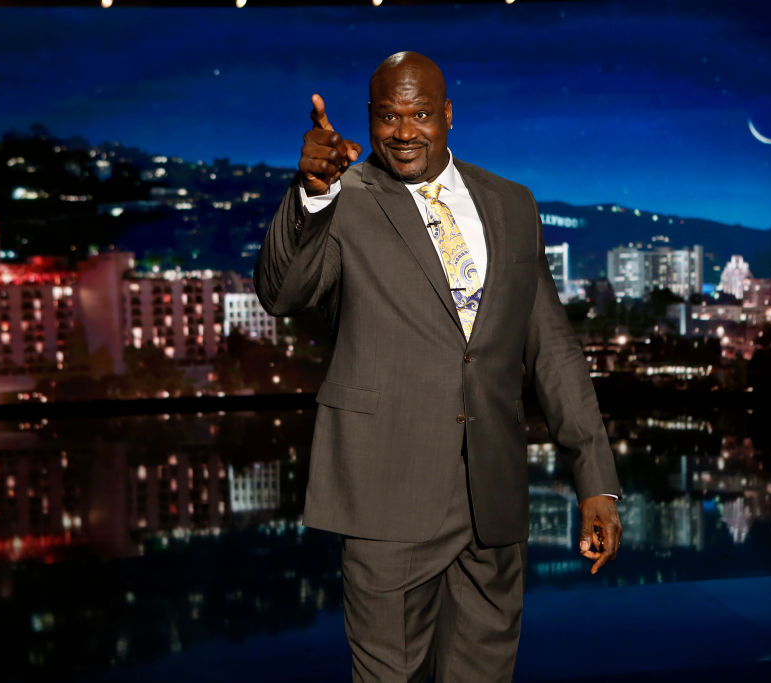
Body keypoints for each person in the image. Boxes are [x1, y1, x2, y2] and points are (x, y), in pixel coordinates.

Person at [254, 51, 621, 682]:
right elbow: (281, 294)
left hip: (494, 503)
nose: (403, 132)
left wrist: (595, 482)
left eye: (420, 114)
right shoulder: (343, 199)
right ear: (370, 119)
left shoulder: (512, 204)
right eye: (387, 117)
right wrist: (313, 194)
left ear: (448, 114)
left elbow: (553, 352)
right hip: (385, 499)